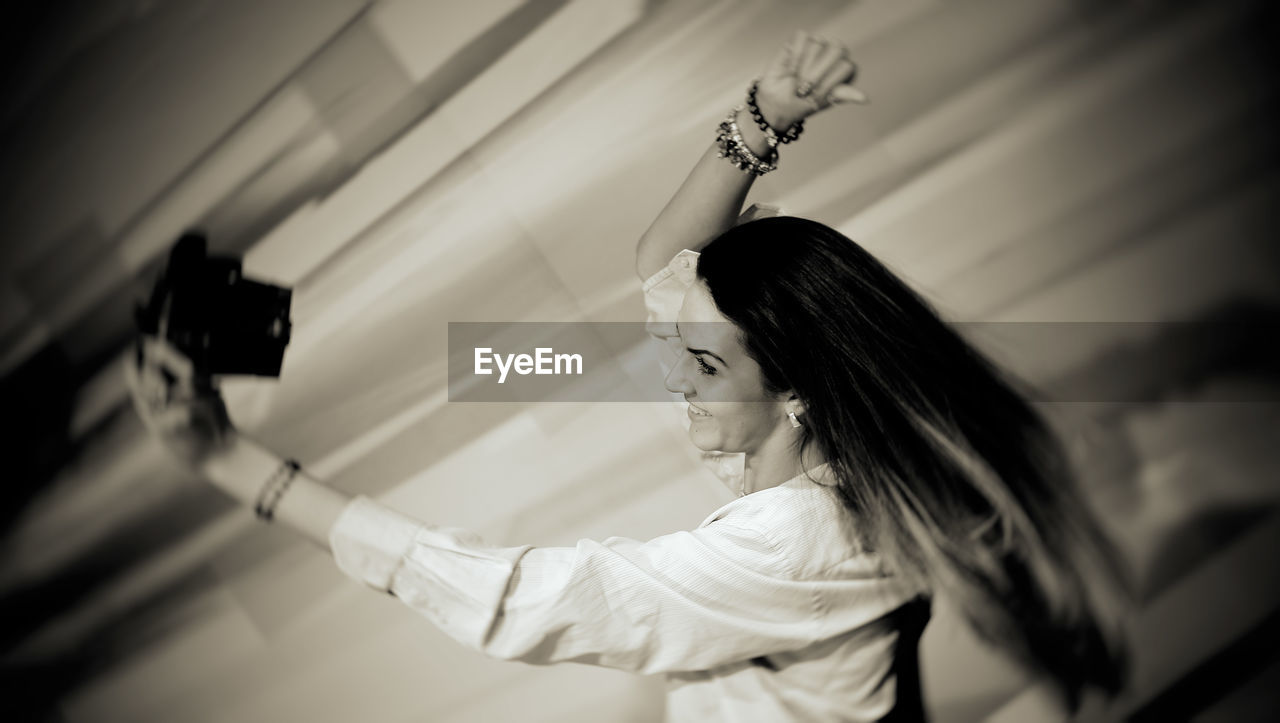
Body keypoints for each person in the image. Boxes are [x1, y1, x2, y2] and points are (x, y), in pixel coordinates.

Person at [128, 31, 1128, 722]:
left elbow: (520, 598)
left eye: (699, 363)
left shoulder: (794, 539)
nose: (672, 379)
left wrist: (230, 465)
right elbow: (667, 267)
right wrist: (764, 115)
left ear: (793, 392)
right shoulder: (828, 441)